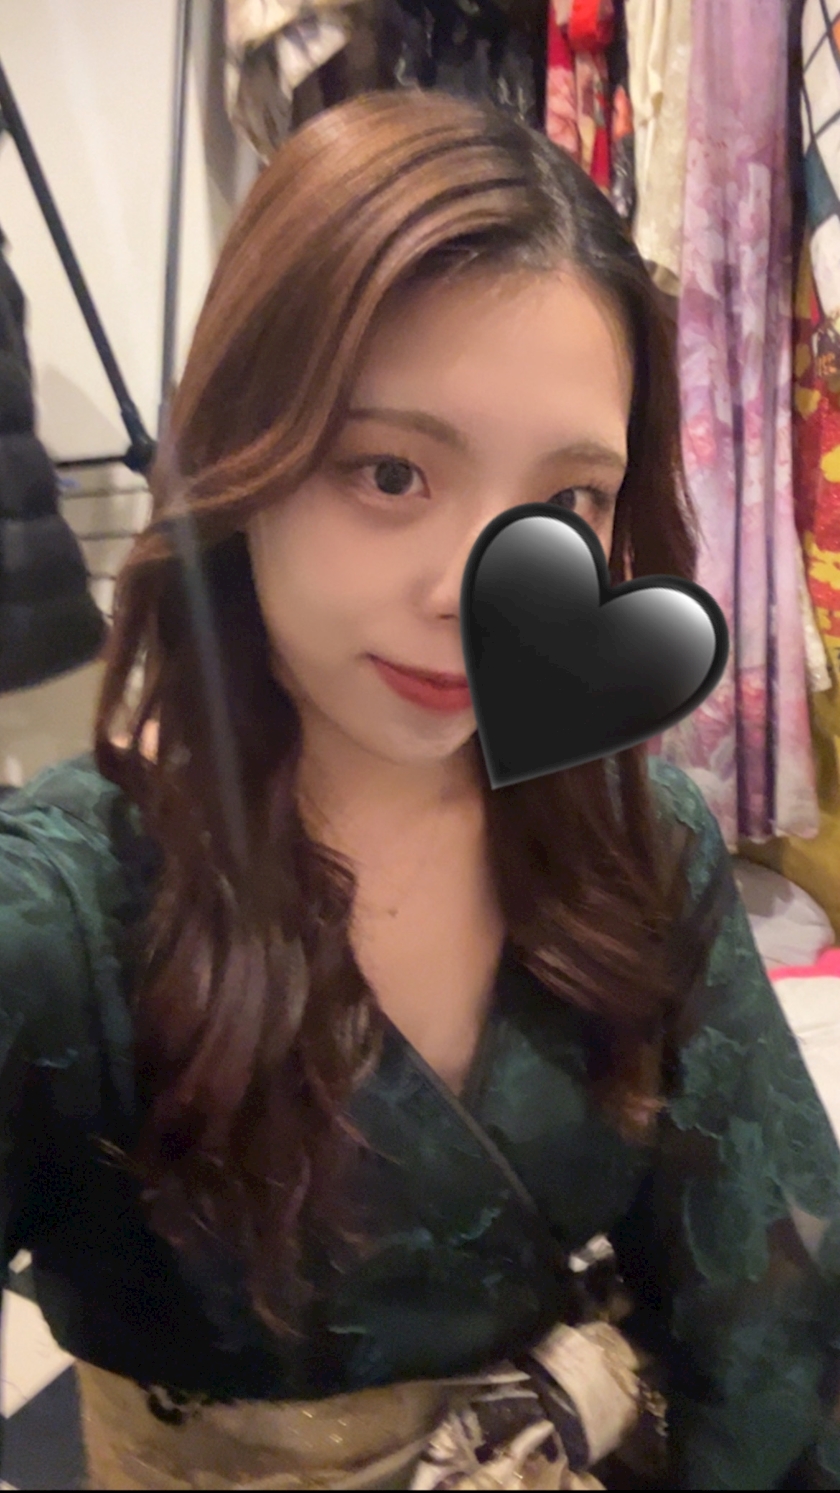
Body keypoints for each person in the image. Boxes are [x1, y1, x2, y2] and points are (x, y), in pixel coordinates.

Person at [0, 88, 838, 1492]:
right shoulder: (61, 917)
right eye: (391, 473)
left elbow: (777, 1323)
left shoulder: (640, 842)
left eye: (565, 505)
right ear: (241, 463)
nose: (478, 594)